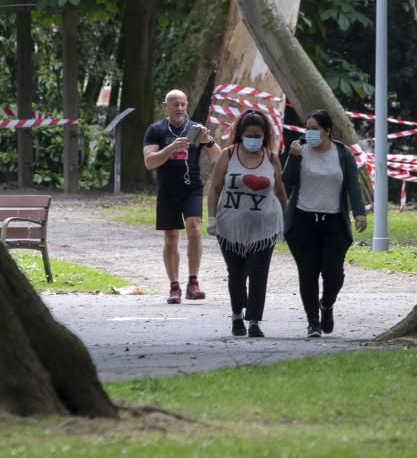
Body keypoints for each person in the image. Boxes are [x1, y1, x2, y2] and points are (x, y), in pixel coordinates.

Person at [283, 110, 367, 338]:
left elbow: (352, 184)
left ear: (327, 131)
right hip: (303, 222)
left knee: (334, 275)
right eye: (306, 128)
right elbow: (285, 182)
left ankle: (326, 305)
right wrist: (293, 157)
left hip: (333, 223)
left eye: (314, 129)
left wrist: (359, 212)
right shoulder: (300, 150)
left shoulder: (342, 153)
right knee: (307, 274)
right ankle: (313, 322)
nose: (309, 133)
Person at [206, 110, 287, 338]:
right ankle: (236, 316)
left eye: (257, 135)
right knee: (236, 275)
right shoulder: (228, 155)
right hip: (230, 228)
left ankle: (254, 321)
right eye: (249, 134)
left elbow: (279, 190)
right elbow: (215, 188)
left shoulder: (271, 158)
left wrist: (287, 219)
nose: (253, 139)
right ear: (240, 134)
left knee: (259, 274)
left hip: (264, 229)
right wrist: (212, 218)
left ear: (265, 135)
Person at [143, 89, 221, 303]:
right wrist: (171, 148)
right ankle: (174, 286)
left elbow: (219, 159)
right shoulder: (155, 130)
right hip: (167, 190)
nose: (179, 108)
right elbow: (149, 162)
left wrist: (209, 140)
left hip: (192, 188)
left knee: (194, 228)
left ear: (187, 105)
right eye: (175, 104)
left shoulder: (195, 130)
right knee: (171, 238)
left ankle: (193, 282)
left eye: (183, 104)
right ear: (165, 106)